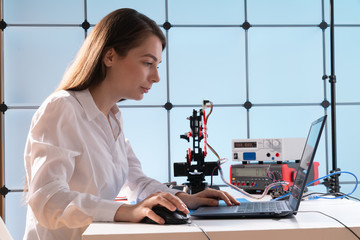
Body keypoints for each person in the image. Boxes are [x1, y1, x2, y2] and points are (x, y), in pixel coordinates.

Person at [23, 8, 239, 240]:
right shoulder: (63, 108)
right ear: (109, 57)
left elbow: (136, 181)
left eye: (157, 65)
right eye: (148, 63)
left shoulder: (112, 116)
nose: (156, 77)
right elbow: (47, 199)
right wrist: (127, 211)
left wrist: (184, 198)